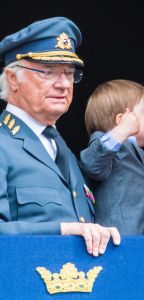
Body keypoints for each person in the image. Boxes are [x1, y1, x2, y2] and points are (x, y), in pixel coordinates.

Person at [0, 17, 120, 257]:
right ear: (13, 79)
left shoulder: (60, 148)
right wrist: (64, 229)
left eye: (69, 73)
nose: (64, 84)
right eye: (48, 72)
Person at [80, 79, 144, 235]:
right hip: (119, 237)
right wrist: (121, 132)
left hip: (140, 237)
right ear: (121, 120)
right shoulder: (104, 142)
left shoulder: (138, 152)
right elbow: (91, 164)